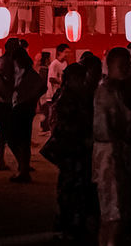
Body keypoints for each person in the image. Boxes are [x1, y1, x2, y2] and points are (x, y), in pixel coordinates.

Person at [43, 62, 96, 241]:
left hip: (72, 149)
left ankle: (68, 223)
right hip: (72, 148)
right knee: (71, 187)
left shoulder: (67, 95)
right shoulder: (70, 98)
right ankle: (69, 225)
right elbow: (65, 126)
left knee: (72, 187)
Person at [93, 47, 131, 246]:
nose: (127, 69)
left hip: (112, 152)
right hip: (110, 154)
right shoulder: (108, 90)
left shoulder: (119, 88)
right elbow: (106, 128)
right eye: (123, 65)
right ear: (111, 66)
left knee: (114, 211)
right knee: (114, 211)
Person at [9, 46, 46, 183]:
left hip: (24, 107)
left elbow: (42, 87)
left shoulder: (28, 72)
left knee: (19, 139)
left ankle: (23, 169)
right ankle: (23, 167)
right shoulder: (23, 71)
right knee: (21, 139)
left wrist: (32, 98)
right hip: (22, 106)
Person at [0, 38, 21, 169]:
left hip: (1, 101)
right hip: (7, 102)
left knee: (4, 133)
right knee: (10, 133)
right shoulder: (7, 62)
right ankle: (20, 161)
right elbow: (3, 84)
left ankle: (2, 161)